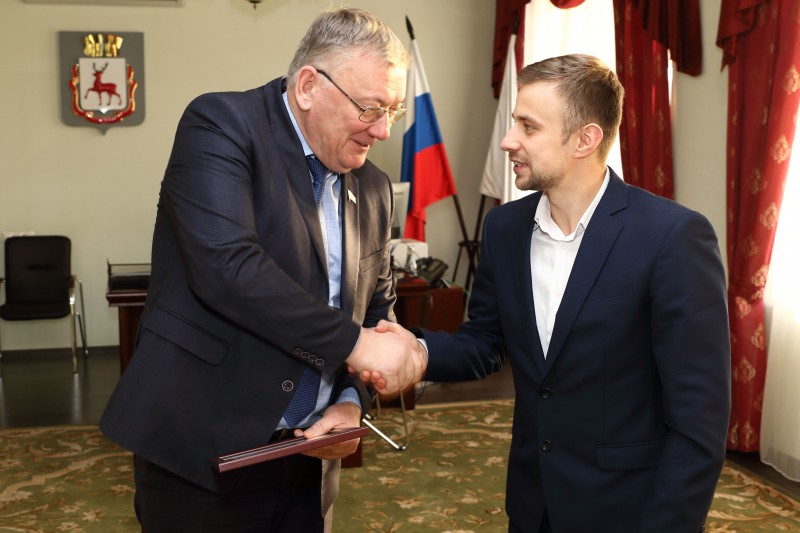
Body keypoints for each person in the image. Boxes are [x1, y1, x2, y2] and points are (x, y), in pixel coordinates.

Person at [100, 8, 425, 532]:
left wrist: (350, 401)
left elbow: (377, 312)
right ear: (308, 86)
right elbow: (228, 268)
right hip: (203, 449)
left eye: (393, 110)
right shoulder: (221, 125)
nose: (383, 130)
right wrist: (357, 345)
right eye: (370, 108)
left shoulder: (373, 187)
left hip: (307, 459)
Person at [375, 54, 731, 532]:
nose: (508, 140)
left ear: (586, 139)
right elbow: (486, 342)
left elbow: (699, 419)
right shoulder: (503, 228)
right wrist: (418, 352)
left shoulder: (671, 237)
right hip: (533, 503)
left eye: (528, 126)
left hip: (628, 510)